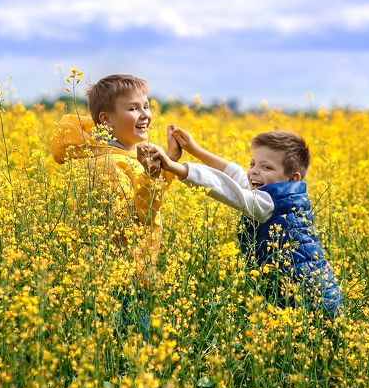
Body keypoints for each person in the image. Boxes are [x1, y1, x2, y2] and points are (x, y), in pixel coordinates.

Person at [140, 128, 342, 319]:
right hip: (307, 294)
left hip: (310, 302)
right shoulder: (280, 195)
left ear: (292, 178)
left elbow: (226, 188)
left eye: (267, 167)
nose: (254, 171)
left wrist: (174, 167)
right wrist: (195, 150)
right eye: (253, 164)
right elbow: (234, 173)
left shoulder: (269, 203)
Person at [51, 74, 180, 327]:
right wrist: (153, 178)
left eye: (146, 105)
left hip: (128, 276)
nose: (145, 114)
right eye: (133, 108)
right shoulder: (109, 165)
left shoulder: (123, 156)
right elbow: (130, 225)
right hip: (119, 284)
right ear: (106, 120)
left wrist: (168, 165)